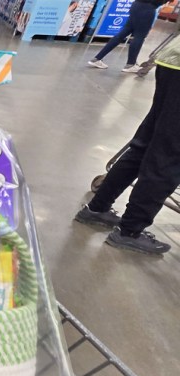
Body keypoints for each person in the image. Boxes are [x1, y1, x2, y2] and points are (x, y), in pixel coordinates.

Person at [75, 33, 180, 255]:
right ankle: (129, 232)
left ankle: (97, 208)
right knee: (169, 157)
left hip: (172, 60)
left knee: (145, 145)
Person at [87, 0, 169, 73]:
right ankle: (130, 64)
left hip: (136, 5)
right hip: (148, 9)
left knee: (122, 34)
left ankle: (97, 58)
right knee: (139, 36)